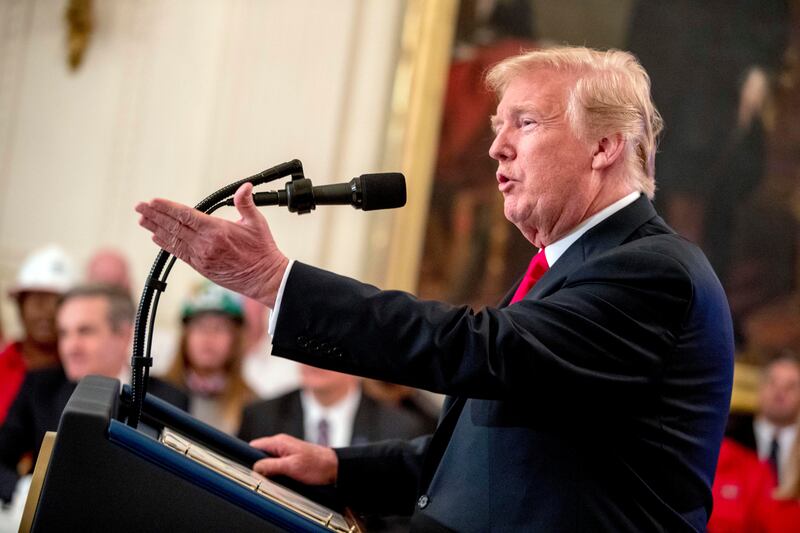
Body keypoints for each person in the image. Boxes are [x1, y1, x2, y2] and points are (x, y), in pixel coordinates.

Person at [136, 46, 735, 531]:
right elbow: (490, 457)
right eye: (498, 126)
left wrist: (276, 281)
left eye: (525, 123)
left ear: (604, 146)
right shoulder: (564, 269)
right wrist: (339, 467)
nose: (496, 146)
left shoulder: (652, 271)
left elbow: (478, 348)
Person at [0, 283, 187, 505]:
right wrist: (30, 494)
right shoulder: (40, 389)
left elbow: (177, 485)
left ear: (124, 335)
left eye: (85, 331)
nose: (71, 347)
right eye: (64, 333)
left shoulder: (168, 399)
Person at [239, 364, 433, 445]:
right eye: (304, 342)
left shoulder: (400, 430)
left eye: (329, 345)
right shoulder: (261, 417)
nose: (313, 356)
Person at [163, 281, 256, 434]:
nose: (208, 337)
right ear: (185, 336)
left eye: (220, 328)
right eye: (200, 326)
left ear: (236, 339)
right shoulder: (153, 393)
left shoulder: (253, 406)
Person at [0, 245, 76, 424]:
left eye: (57, 304)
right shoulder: (3, 365)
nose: (47, 313)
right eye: (38, 301)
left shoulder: (80, 376)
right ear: (20, 306)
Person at [726, 353, 800, 483]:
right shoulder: (731, 436)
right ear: (760, 387)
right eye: (772, 383)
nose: (780, 392)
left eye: (791, 386)